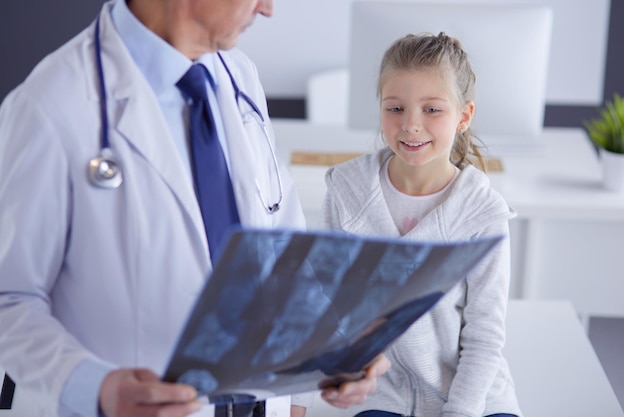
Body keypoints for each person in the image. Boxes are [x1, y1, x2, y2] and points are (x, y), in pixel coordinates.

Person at [0, 1, 390, 416]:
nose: (268, 8)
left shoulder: (238, 76)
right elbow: (10, 298)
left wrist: (335, 347)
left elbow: (281, 251)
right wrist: (94, 387)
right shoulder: (51, 105)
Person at [318, 33, 522, 417]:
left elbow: (484, 337)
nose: (411, 125)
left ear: (464, 116)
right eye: (395, 108)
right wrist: (295, 400)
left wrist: (459, 412)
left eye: (432, 110)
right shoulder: (347, 193)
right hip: (387, 394)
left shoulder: (483, 214)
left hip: (474, 396)